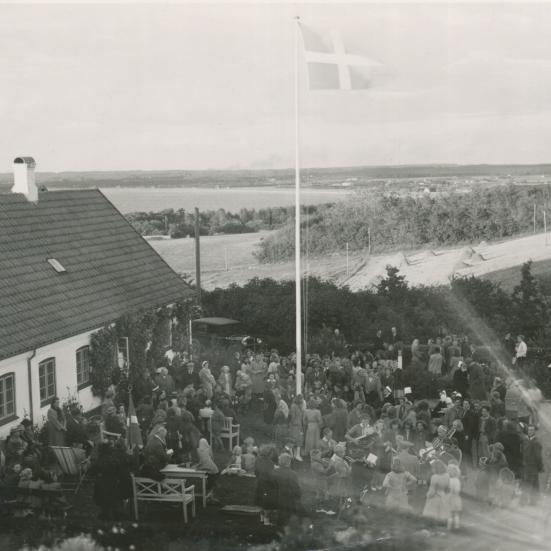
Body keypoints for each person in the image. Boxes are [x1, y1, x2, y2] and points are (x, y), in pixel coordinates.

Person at [91, 441, 132, 521]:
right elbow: (121, 472)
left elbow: (92, 471)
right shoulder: (115, 459)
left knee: (101, 488)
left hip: (102, 486)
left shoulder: (100, 459)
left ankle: (105, 513)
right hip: (115, 485)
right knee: (116, 495)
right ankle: (118, 513)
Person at [274, 452, 302, 524]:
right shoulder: (293, 474)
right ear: (289, 462)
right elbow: (297, 490)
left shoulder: (274, 471)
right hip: (288, 501)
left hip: (275, 499)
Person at [254, 445, 278, 526]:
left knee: (261, 501)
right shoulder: (270, 463)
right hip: (268, 485)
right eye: (272, 453)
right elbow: (271, 476)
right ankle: (266, 521)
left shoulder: (257, 460)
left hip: (259, 483)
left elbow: (256, 472)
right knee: (267, 503)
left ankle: (261, 518)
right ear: (269, 454)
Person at [522, 424, 544, 505]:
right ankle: (532, 501)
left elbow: (538, 456)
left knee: (530, 483)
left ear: (534, 431)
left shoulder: (536, 442)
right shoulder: (526, 440)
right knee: (533, 483)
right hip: (526, 465)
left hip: (533, 465)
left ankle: (526, 501)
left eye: (532, 430)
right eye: (529, 430)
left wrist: (540, 466)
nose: (530, 431)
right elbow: (522, 452)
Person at [288, 395, 305, 461]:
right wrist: (293, 424)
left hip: (299, 426)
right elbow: (292, 417)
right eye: (302, 399)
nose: (302, 400)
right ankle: (291, 454)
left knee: (299, 441)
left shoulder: (299, 406)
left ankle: (297, 455)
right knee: (293, 440)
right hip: (294, 426)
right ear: (298, 399)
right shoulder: (293, 406)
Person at [447, 463, 462, 530]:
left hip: (450, 498)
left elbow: (447, 489)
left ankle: (449, 527)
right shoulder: (457, 481)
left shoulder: (449, 480)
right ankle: (456, 526)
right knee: (456, 514)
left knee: (450, 514)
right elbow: (458, 490)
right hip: (456, 498)